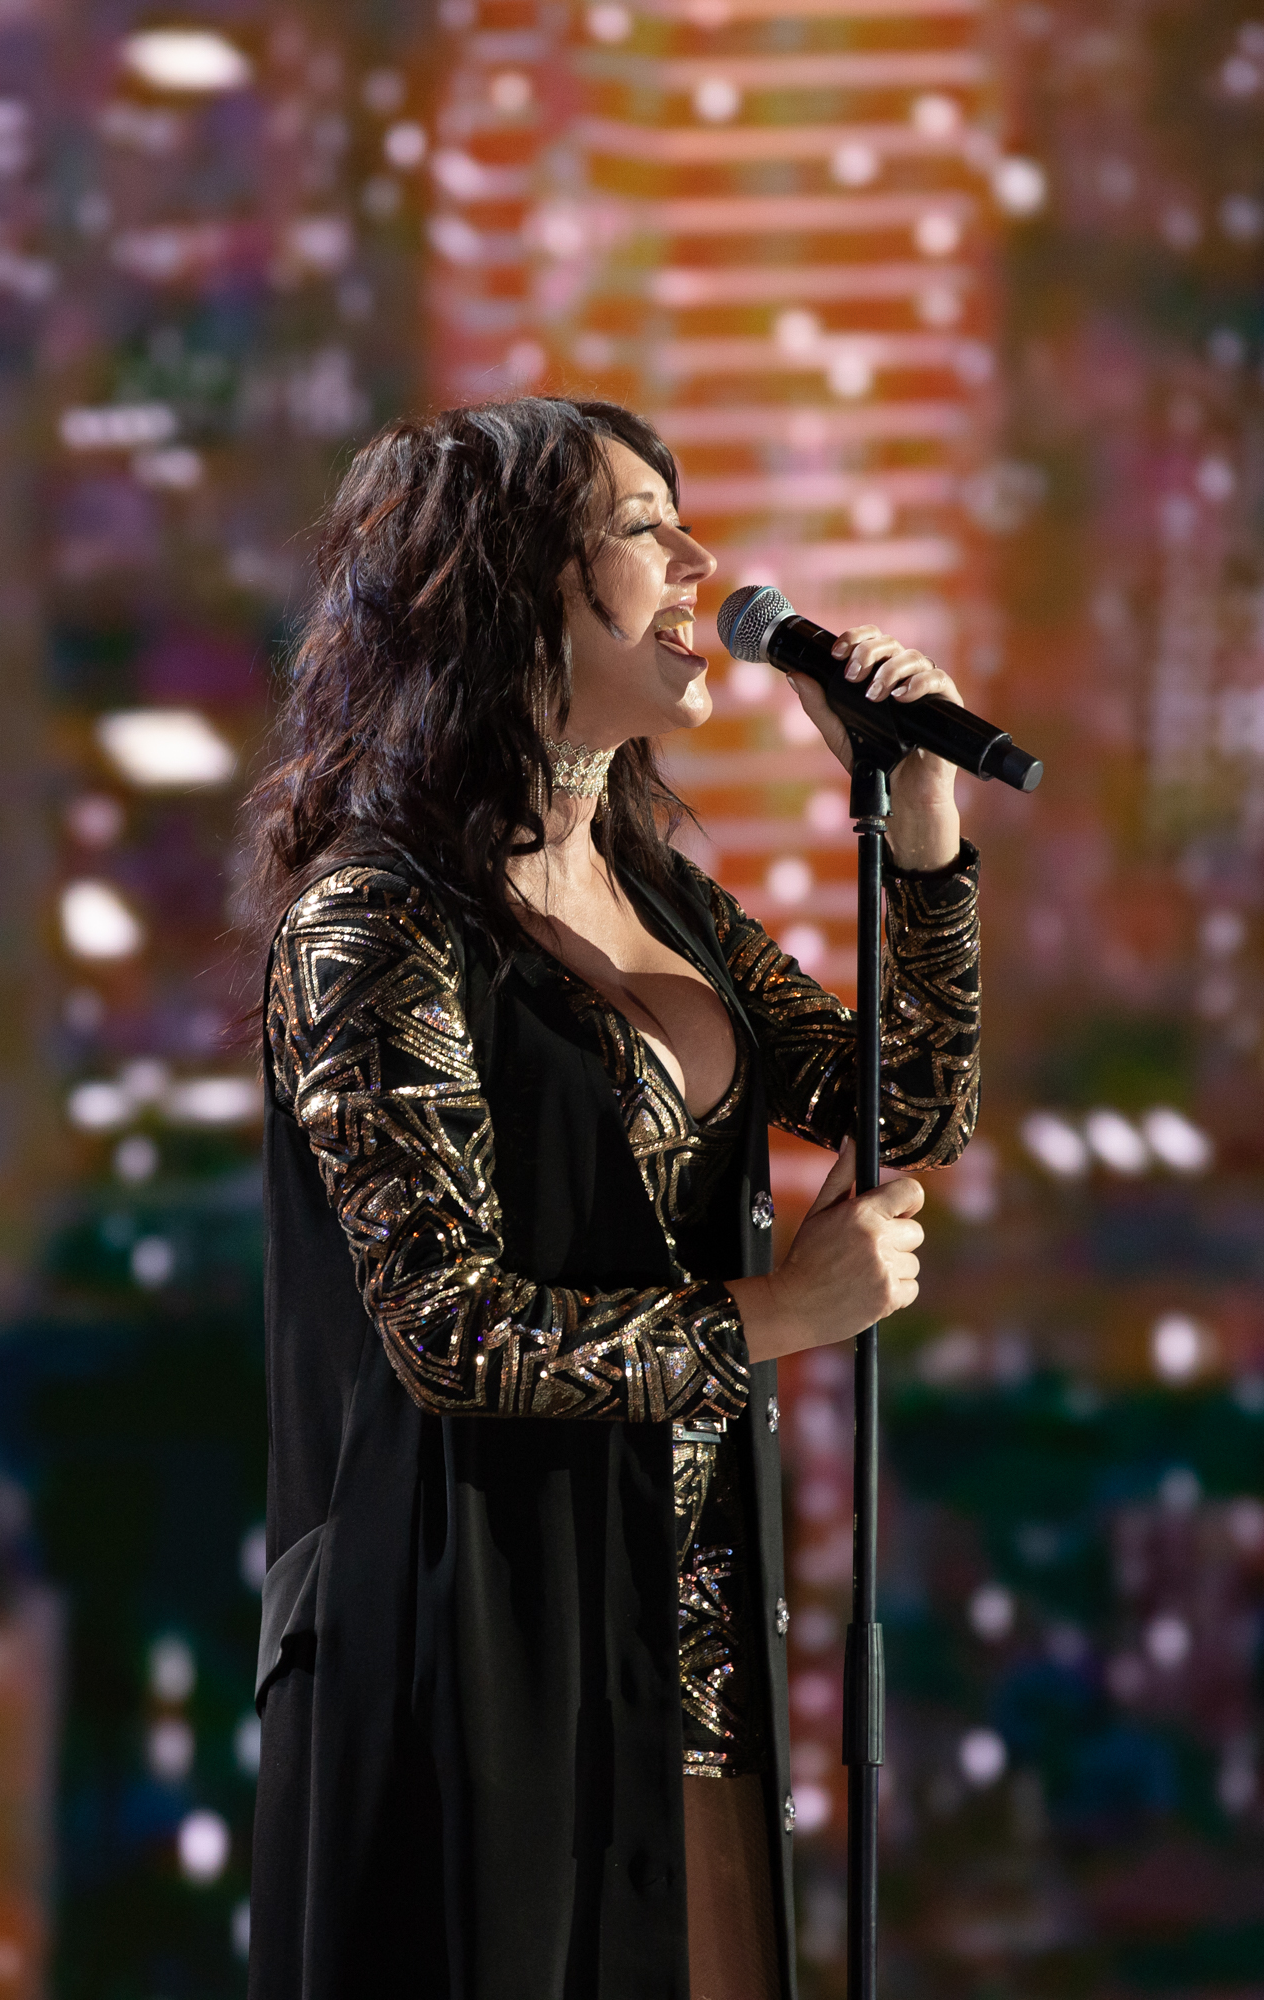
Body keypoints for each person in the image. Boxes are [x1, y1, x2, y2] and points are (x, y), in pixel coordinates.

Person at [235, 397, 981, 2000]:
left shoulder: (659, 894)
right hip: (480, 1647)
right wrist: (780, 1312)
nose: (700, 561)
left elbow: (902, 1111)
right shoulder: (374, 924)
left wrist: (924, 844)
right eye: (645, 529)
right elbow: (449, 1331)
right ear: (510, 587)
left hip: (683, 1630)